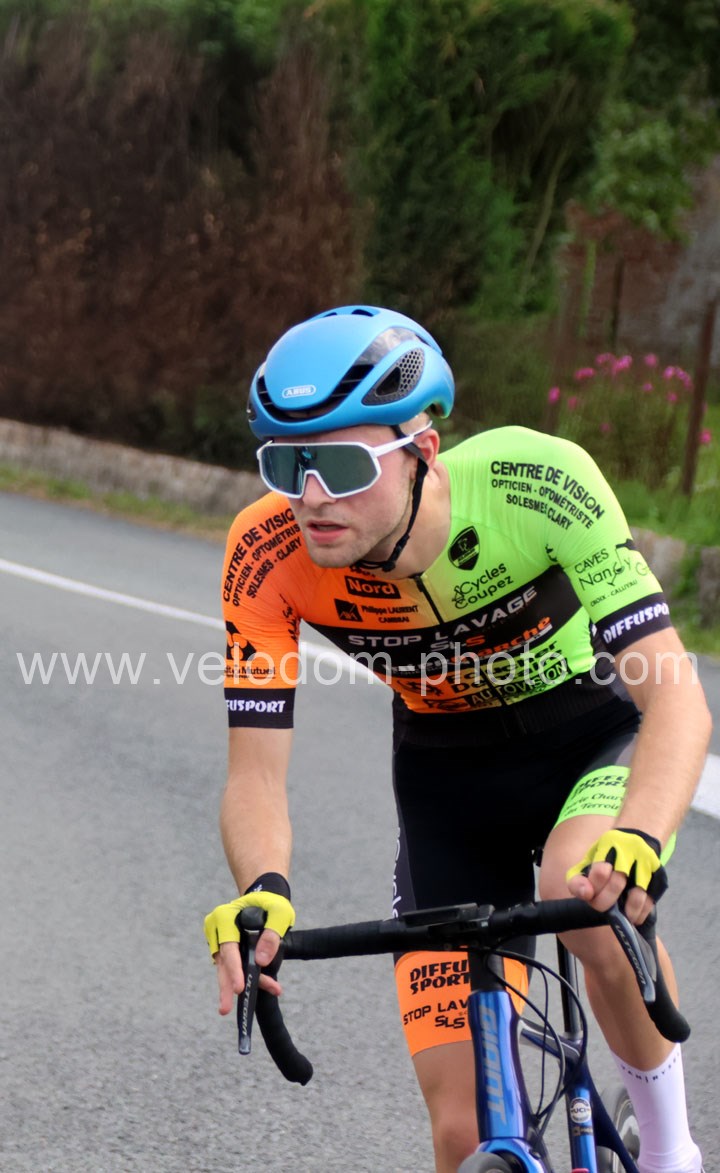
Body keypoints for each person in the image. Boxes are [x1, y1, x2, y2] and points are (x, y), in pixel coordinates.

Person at [204, 305, 710, 1173]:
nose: (312, 496)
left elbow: (676, 697)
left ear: (423, 450)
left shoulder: (535, 481)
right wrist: (262, 888)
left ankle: (669, 1149)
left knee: (581, 887)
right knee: (463, 1132)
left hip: (589, 740)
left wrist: (640, 834)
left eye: (342, 464)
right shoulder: (265, 551)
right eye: (287, 465)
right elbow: (253, 773)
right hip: (448, 783)